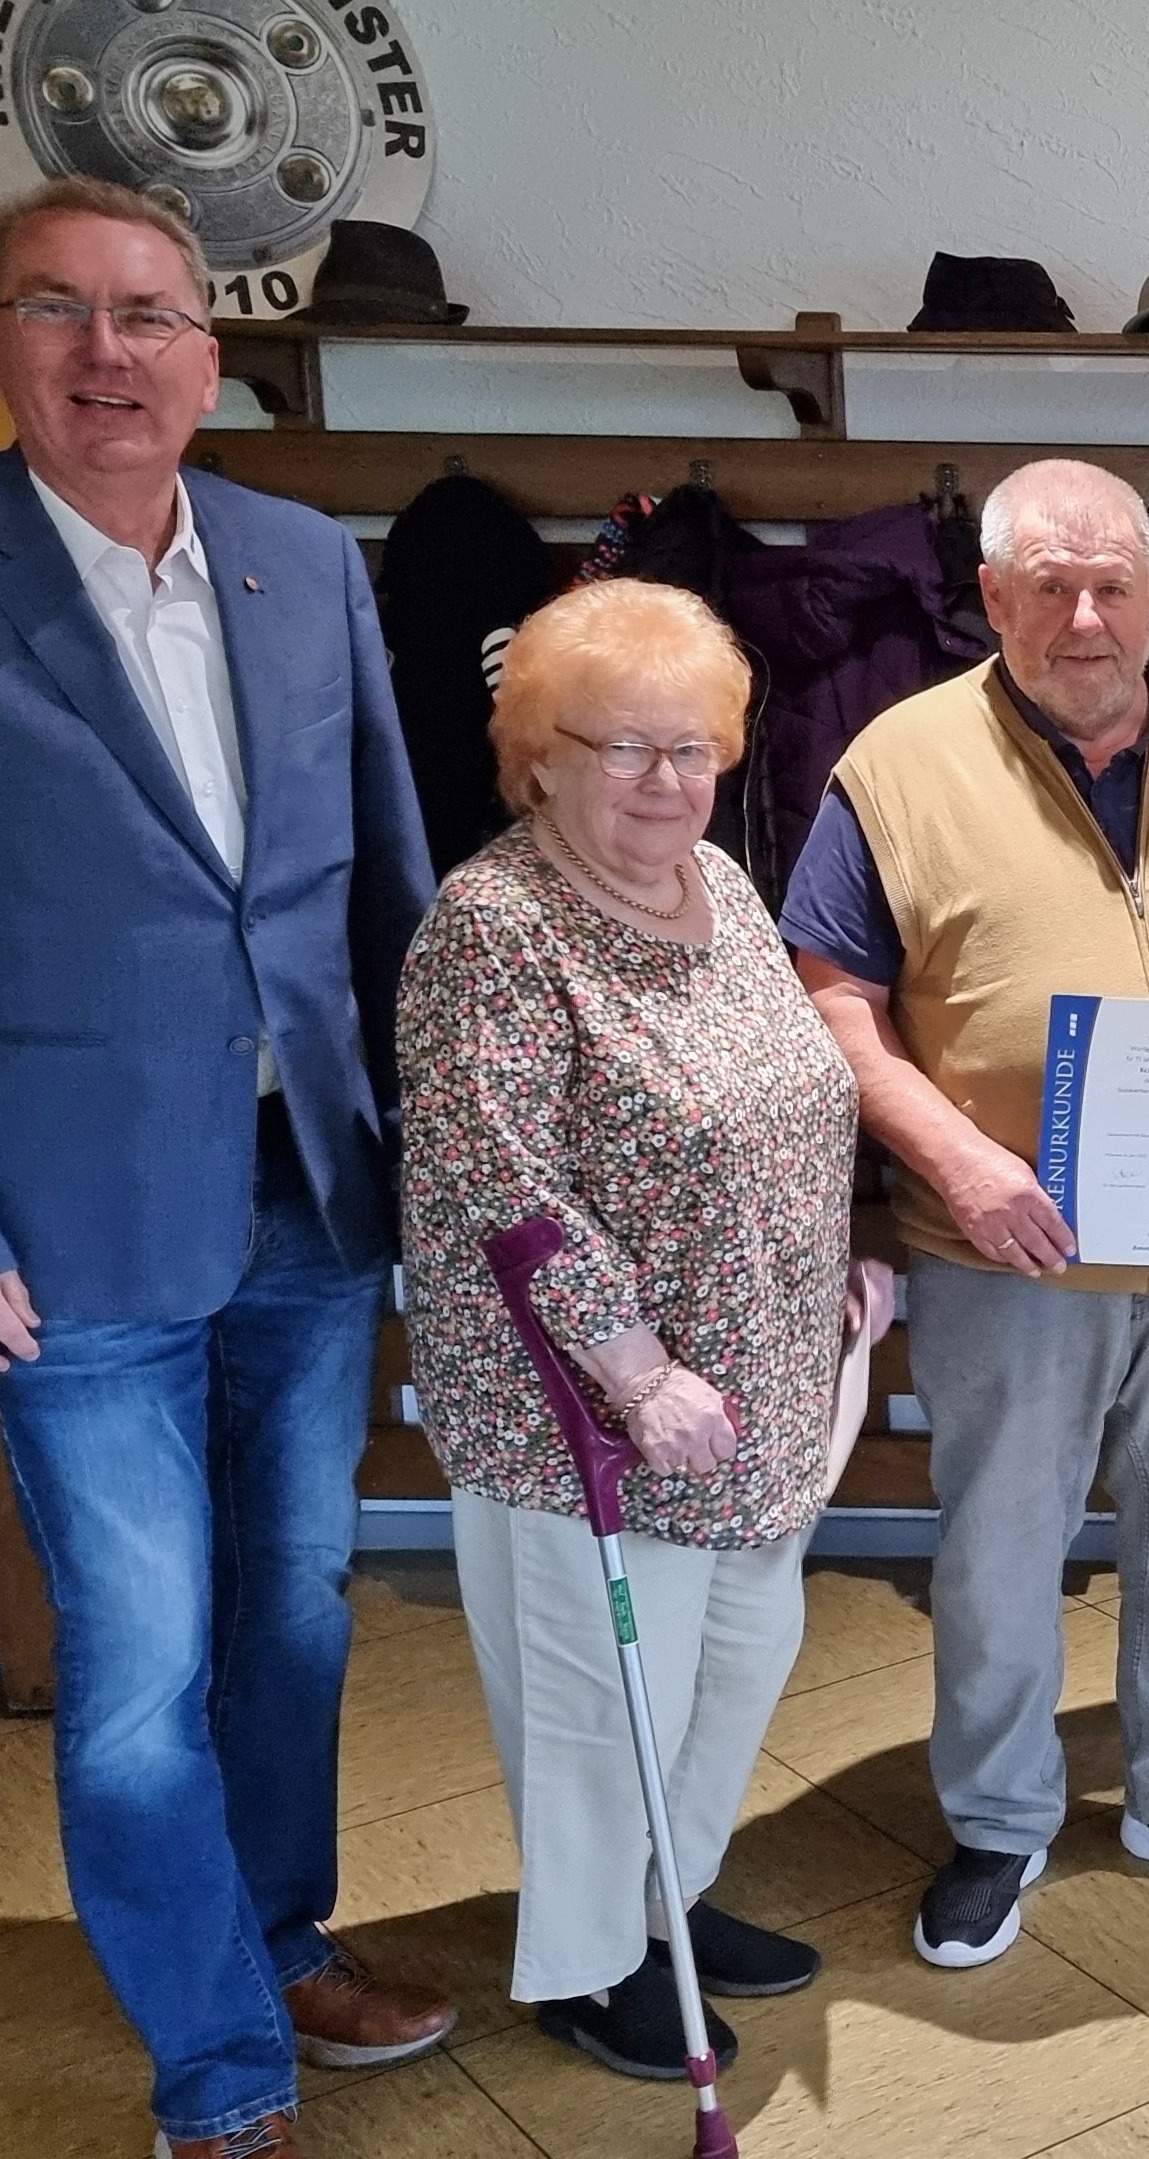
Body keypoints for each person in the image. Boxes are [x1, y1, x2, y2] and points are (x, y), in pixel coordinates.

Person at [0, 177, 444, 2159]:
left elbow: (387, 888)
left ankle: (277, 1931)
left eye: (148, 313)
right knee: (143, 1658)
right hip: (59, 1233)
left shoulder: (299, 557)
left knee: (302, 1610)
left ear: (208, 351)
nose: (107, 352)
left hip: (307, 1196)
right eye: (58, 310)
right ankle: (219, 2063)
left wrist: (438, 1148)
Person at [784, 458, 1149, 1968]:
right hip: (1003, 1239)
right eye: (1050, 583)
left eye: (1114, 583)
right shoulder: (895, 763)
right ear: (991, 596)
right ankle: (995, 1818)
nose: (1087, 613)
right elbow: (829, 993)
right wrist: (954, 1159)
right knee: (997, 1540)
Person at [397, 579, 891, 2081]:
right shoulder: (494, 925)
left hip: (758, 1390)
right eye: (622, 748)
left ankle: (662, 1899)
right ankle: (585, 1962)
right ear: (537, 753)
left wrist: (834, 1270)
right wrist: (635, 1371)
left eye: (694, 748)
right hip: (594, 1418)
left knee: (737, 1660)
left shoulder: (724, 886)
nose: (665, 783)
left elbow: (783, 1100)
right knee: (602, 1706)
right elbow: (499, 1175)